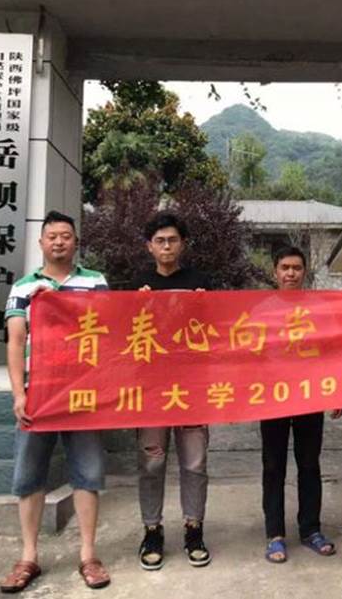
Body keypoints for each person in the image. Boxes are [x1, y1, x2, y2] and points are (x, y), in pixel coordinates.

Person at [0, 211, 111, 592]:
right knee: (28, 476)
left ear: (76, 242)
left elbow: (109, 329)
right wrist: (19, 393)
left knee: (88, 475)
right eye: (52, 236)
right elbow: (15, 342)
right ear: (41, 242)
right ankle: (28, 557)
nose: (59, 241)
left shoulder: (95, 282)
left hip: (83, 394)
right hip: (38, 396)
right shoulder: (24, 288)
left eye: (66, 235)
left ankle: (88, 556)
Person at [132, 212, 213, 571]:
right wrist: (135, 306)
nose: (166, 246)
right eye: (160, 241)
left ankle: (194, 529)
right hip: (151, 388)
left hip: (192, 387)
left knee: (195, 462)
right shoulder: (137, 285)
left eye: (173, 240)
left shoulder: (201, 283)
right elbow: (122, 336)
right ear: (149, 246)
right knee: (152, 461)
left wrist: (206, 306)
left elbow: (219, 332)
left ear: (183, 244)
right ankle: (152, 530)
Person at [261, 245, 336, 563]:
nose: (290, 273)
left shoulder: (318, 309)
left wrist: (336, 392)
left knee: (309, 464)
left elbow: (332, 350)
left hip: (309, 395)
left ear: (305, 272)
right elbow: (248, 354)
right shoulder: (262, 310)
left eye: (296, 268)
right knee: (273, 466)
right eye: (285, 268)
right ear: (275, 272)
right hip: (271, 398)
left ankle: (310, 529)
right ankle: (275, 534)